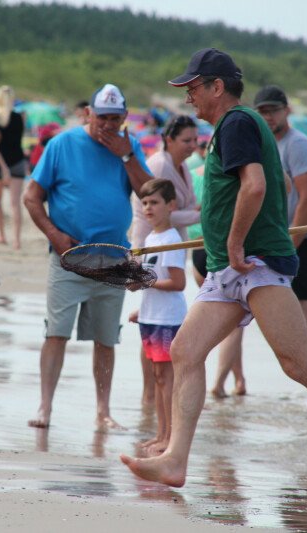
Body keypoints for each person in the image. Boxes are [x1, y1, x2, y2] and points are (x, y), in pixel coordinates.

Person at [120, 48, 307, 500]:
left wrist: (234, 241)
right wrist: (233, 242)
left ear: (216, 86)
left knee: (299, 363)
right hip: (230, 269)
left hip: (255, 263)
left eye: (193, 87)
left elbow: (258, 184)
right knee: (186, 350)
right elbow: (276, 184)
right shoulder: (238, 127)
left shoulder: (237, 123)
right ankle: (175, 459)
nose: (188, 96)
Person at [23, 83, 152, 429]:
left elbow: (149, 195)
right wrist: (54, 234)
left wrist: (126, 155)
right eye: (102, 117)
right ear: (87, 114)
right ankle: (45, 408)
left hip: (112, 260)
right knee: (56, 333)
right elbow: (31, 197)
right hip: (67, 258)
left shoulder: (130, 146)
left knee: (106, 338)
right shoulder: (62, 144)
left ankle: (103, 411)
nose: (108, 125)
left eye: (115, 118)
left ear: (124, 118)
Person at [215, 85, 307, 406]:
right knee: (293, 329)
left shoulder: (297, 145)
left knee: (305, 327)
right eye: (263, 111)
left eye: (273, 110)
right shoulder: (263, 141)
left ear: (286, 111)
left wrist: (289, 246)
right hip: (282, 240)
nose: (268, 116)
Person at [129, 115, 199, 405]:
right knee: (151, 321)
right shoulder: (159, 164)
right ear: (169, 139)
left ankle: (156, 395)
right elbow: (150, 209)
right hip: (149, 244)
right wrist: (198, 215)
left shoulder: (184, 167)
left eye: (196, 140)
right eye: (187, 141)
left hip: (171, 241)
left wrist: (194, 213)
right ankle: (150, 393)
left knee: (156, 319)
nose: (193, 146)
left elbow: (181, 208)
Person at [128, 179, 186, 456]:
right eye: (145, 203)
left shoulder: (172, 240)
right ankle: (160, 433)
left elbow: (178, 283)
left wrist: (146, 284)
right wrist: (142, 305)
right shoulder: (151, 238)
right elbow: (153, 279)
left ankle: (170, 437)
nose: (148, 207)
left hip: (168, 318)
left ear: (171, 205)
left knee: (166, 378)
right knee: (157, 377)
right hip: (152, 316)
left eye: (155, 202)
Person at [0, 85, 29, 249]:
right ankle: (17, 239)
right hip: (17, 160)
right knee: (15, 203)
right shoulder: (20, 117)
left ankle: (1, 234)